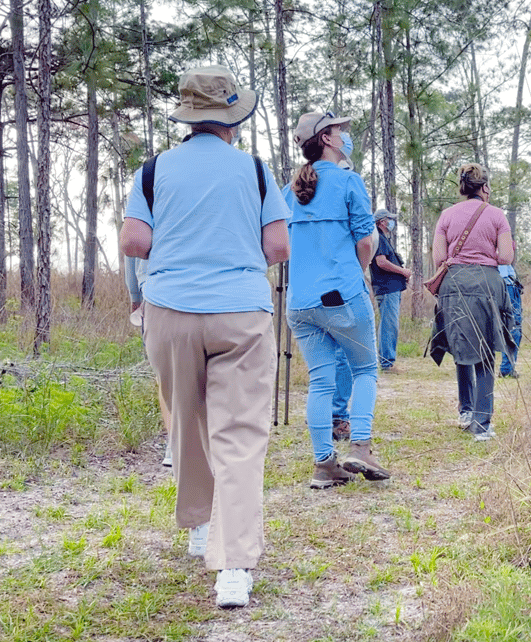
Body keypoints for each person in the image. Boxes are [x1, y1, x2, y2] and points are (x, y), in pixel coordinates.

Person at [120, 65, 291, 609]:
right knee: (239, 434)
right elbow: (279, 248)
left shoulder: (152, 170)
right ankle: (234, 567)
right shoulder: (257, 172)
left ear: (188, 119)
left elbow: (133, 240)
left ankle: (198, 525)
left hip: (169, 310)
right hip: (240, 311)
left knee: (187, 417)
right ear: (233, 120)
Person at [282, 111, 391, 489]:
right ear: (327, 139)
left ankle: (324, 465)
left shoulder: (290, 191)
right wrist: (358, 271)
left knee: (321, 381)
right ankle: (360, 446)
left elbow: (279, 245)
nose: (346, 135)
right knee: (364, 369)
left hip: (300, 303)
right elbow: (365, 240)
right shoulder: (348, 182)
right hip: (342, 294)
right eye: (341, 131)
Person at [426, 163, 516, 441]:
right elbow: (506, 258)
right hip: (486, 284)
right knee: (486, 351)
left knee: (461, 345)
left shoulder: (446, 215)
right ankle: (482, 424)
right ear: (485, 187)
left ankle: (465, 411)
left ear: (463, 187)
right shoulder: (497, 215)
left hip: (453, 284)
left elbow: (439, 258)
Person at [124, 256, 173, 466]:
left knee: (166, 373)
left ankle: (175, 443)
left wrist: (135, 294)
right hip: (210, 287)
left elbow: (132, 246)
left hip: (156, 289)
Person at [369, 209, 411, 372]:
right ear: (382, 222)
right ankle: (387, 363)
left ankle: (386, 361)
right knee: (389, 324)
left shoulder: (381, 239)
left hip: (390, 288)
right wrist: (403, 272)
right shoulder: (378, 238)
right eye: (389, 219)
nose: (392, 222)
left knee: (388, 324)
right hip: (387, 288)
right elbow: (381, 262)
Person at [498, 261, 523, 378]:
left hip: (508, 284)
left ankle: (507, 368)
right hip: (506, 285)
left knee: (512, 328)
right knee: (513, 327)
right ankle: (506, 369)